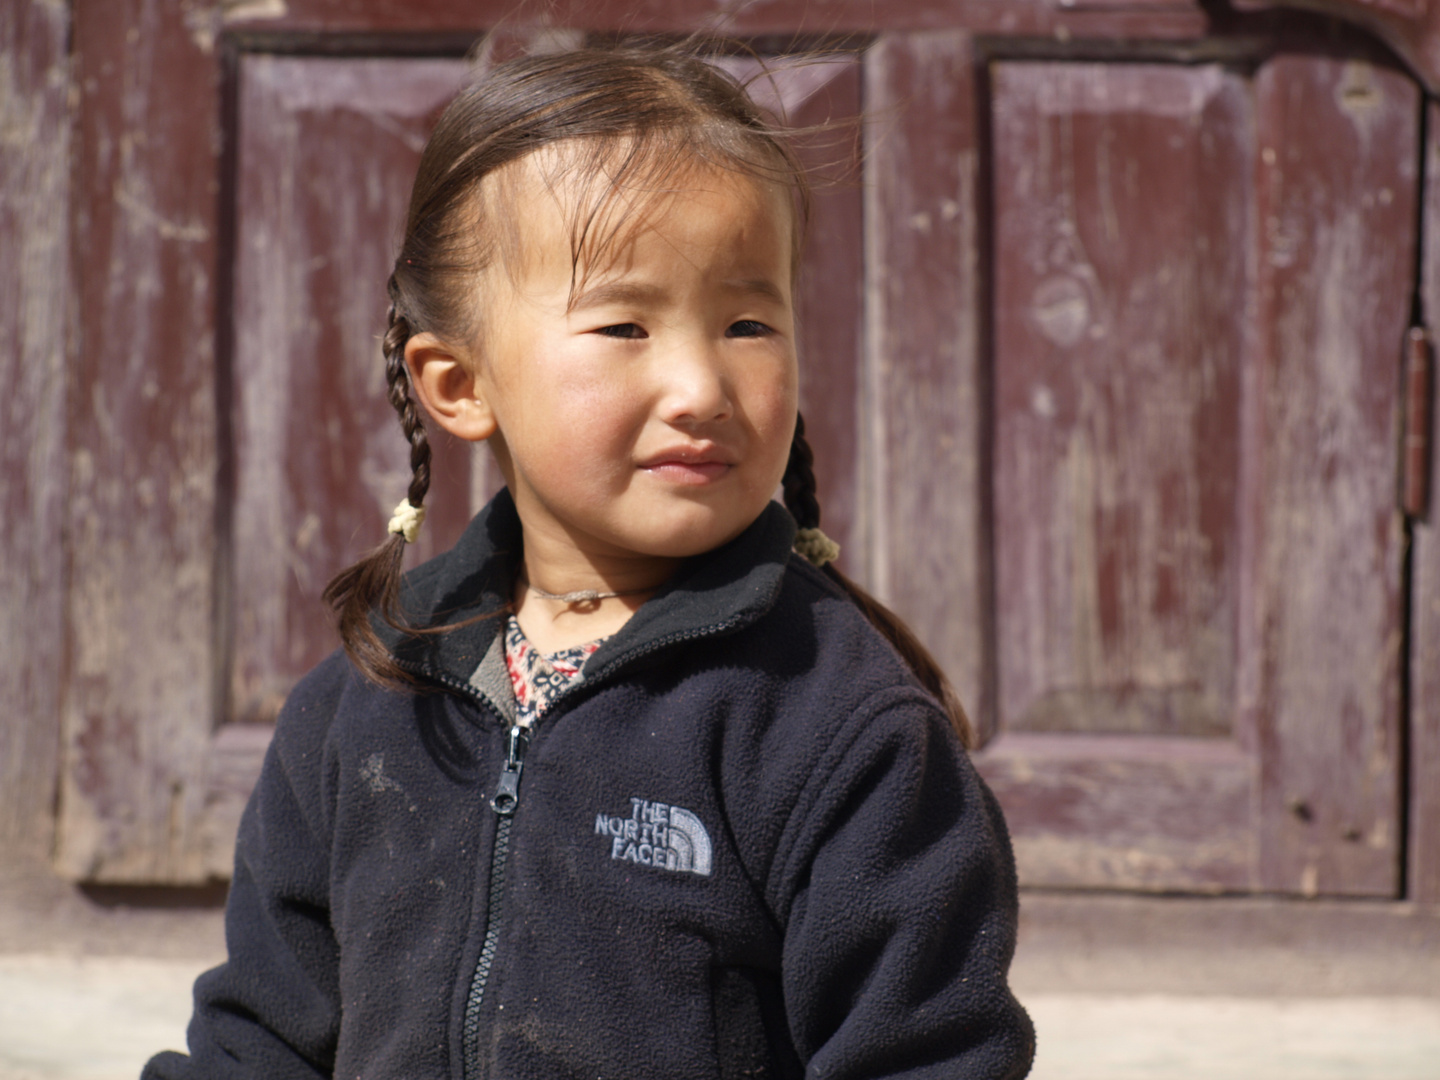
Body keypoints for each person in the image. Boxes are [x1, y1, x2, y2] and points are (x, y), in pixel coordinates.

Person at [144, 40, 1034, 1080]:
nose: (701, 384)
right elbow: (258, 1042)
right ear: (459, 384)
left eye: (749, 322)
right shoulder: (364, 700)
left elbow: (930, 1057)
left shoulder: (840, 730)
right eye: (623, 324)